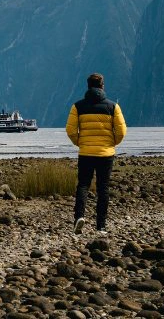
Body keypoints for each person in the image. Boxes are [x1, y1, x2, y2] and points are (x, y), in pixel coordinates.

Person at [65, 73, 127, 235]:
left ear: (88, 86)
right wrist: (112, 143)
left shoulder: (77, 106)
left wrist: (80, 142)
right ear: (102, 86)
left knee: (83, 185)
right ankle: (101, 226)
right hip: (106, 153)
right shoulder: (113, 107)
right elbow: (121, 131)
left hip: (85, 152)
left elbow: (70, 130)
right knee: (103, 188)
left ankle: (79, 217)